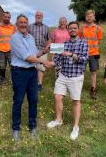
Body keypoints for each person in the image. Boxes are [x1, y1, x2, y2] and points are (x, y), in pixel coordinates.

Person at [45, 21, 88, 140]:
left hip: (76, 76)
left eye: (75, 28)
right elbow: (57, 60)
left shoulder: (83, 43)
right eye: (70, 28)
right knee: (57, 96)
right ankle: (58, 120)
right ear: (68, 30)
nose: (72, 30)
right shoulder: (63, 44)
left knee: (76, 101)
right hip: (63, 75)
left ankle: (75, 126)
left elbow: (84, 59)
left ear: (78, 30)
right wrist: (50, 63)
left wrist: (70, 54)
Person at [10, 14, 47, 142]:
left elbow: (34, 54)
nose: (23, 24)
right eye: (21, 22)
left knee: (33, 100)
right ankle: (15, 129)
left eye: (25, 22)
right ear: (17, 24)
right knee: (18, 100)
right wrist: (43, 62)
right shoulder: (15, 38)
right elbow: (27, 57)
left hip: (32, 72)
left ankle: (33, 127)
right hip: (19, 72)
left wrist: (43, 52)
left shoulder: (31, 37)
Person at [78, 10, 103, 99]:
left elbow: (99, 40)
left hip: (94, 54)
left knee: (93, 72)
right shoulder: (81, 28)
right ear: (85, 17)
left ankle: (93, 89)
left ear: (94, 17)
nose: (89, 17)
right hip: (83, 53)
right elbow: (79, 39)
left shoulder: (98, 28)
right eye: (88, 16)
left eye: (91, 16)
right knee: (81, 71)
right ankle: (78, 88)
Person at [0, 11, 16, 85]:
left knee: (13, 66)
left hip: (11, 50)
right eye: (5, 17)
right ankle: (1, 81)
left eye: (8, 17)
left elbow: (16, 38)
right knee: (2, 66)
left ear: (10, 18)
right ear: (3, 17)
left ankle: (13, 80)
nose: (7, 18)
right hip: (1, 50)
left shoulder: (13, 27)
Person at [28, 11, 50, 91]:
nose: (38, 16)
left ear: (42, 16)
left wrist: (46, 49)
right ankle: (31, 83)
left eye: (40, 15)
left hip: (42, 50)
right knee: (31, 67)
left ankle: (39, 84)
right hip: (32, 50)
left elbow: (49, 39)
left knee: (40, 67)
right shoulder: (30, 27)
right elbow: (26, 37)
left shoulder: (46, 27)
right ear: (35, 16)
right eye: (37, 15)